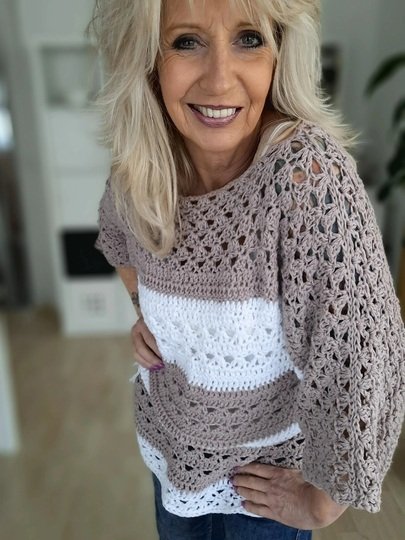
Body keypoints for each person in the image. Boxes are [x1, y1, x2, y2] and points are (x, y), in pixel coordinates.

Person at [89, 0, 405, 538]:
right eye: (186, 41)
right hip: (170, 456)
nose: (219, 80)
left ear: (280, 54)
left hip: (264, 490)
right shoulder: (142, 165)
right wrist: (148, 313)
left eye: (249, 39)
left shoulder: (306, 179)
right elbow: (118, 239)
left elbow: (362, 354)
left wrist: (322, 504)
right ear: (148, 58)